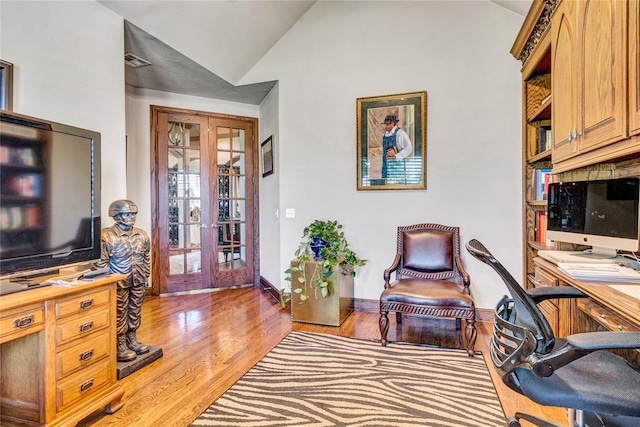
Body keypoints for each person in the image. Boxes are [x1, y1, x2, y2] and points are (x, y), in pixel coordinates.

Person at [98, 199, 151, 362]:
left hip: (139, 279)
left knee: (135, 311)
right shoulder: (107, 236)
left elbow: (146, 256)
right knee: (120, 312)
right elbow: (101, 263)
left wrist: (146, 276)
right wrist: (108, 282)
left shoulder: (141, 234)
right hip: (119, 282)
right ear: (117, 216)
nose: (132, 218)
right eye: (127, 214)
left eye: (133, 214)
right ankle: (120, 343)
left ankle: (131, 339)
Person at [381, 114, 413, 179]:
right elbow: (385, 148)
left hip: (397, 167)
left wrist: (396, 156)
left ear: (392, 124)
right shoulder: (385, 134)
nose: (385, 127)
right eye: (385, 124)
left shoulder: (400, 134)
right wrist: (379, 151)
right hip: (385, 165)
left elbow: (409, 148)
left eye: (387, 124)